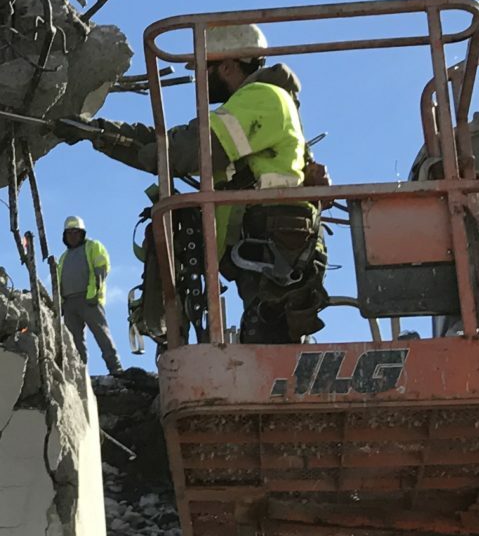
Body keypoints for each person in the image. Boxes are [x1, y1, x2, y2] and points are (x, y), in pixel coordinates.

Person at [60, 23, 328, 344]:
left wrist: (103, 136)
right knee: (263, 344)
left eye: (204, 69)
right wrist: (100, 133)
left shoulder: (262, 98)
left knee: (269, 351)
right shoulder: (256, 102)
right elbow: (168, 145)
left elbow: (189, 151)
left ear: (227, 66)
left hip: (273, 256)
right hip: (263, 256)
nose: (200, 80)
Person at [56, 215, 122, 372]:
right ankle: (80, 375)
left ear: (82, 233)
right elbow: (58, 282)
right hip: (69, 304)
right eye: (69, 233)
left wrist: (93, 292)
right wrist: (60, 303)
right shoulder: (63, 257)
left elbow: (101, 268)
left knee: (102, 335)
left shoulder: (93, 246)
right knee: (74, 343)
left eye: (75, 232)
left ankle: (115, 368)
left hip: (89, 299)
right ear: (65, 236)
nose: (72, 236)